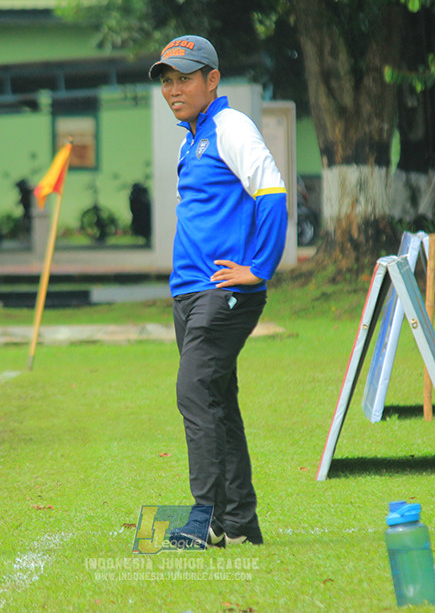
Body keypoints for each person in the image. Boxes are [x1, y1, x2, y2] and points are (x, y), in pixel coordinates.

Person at [149, 35, 288, 548]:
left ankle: (203, 520)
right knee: (217, 401)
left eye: (183, 78)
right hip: (189, 292)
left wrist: (259, 268)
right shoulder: (192, 136)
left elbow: (271, 190)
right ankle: (239, 522)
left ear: (212, 81)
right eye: (166, 79)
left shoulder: (230, 126)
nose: (172, 89)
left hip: (222, 292)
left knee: (193, 391)